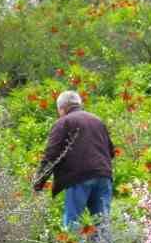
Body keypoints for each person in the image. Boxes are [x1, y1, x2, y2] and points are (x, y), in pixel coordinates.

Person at [33, 90, 116, 232]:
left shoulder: (63, 122)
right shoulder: (97, 120)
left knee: (72, 223)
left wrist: (38, 182)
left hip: (78, 178)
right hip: (103, 175)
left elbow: (51, 155)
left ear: (62, 109)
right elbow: (111, 151)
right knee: (103, 225)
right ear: (79, 104)